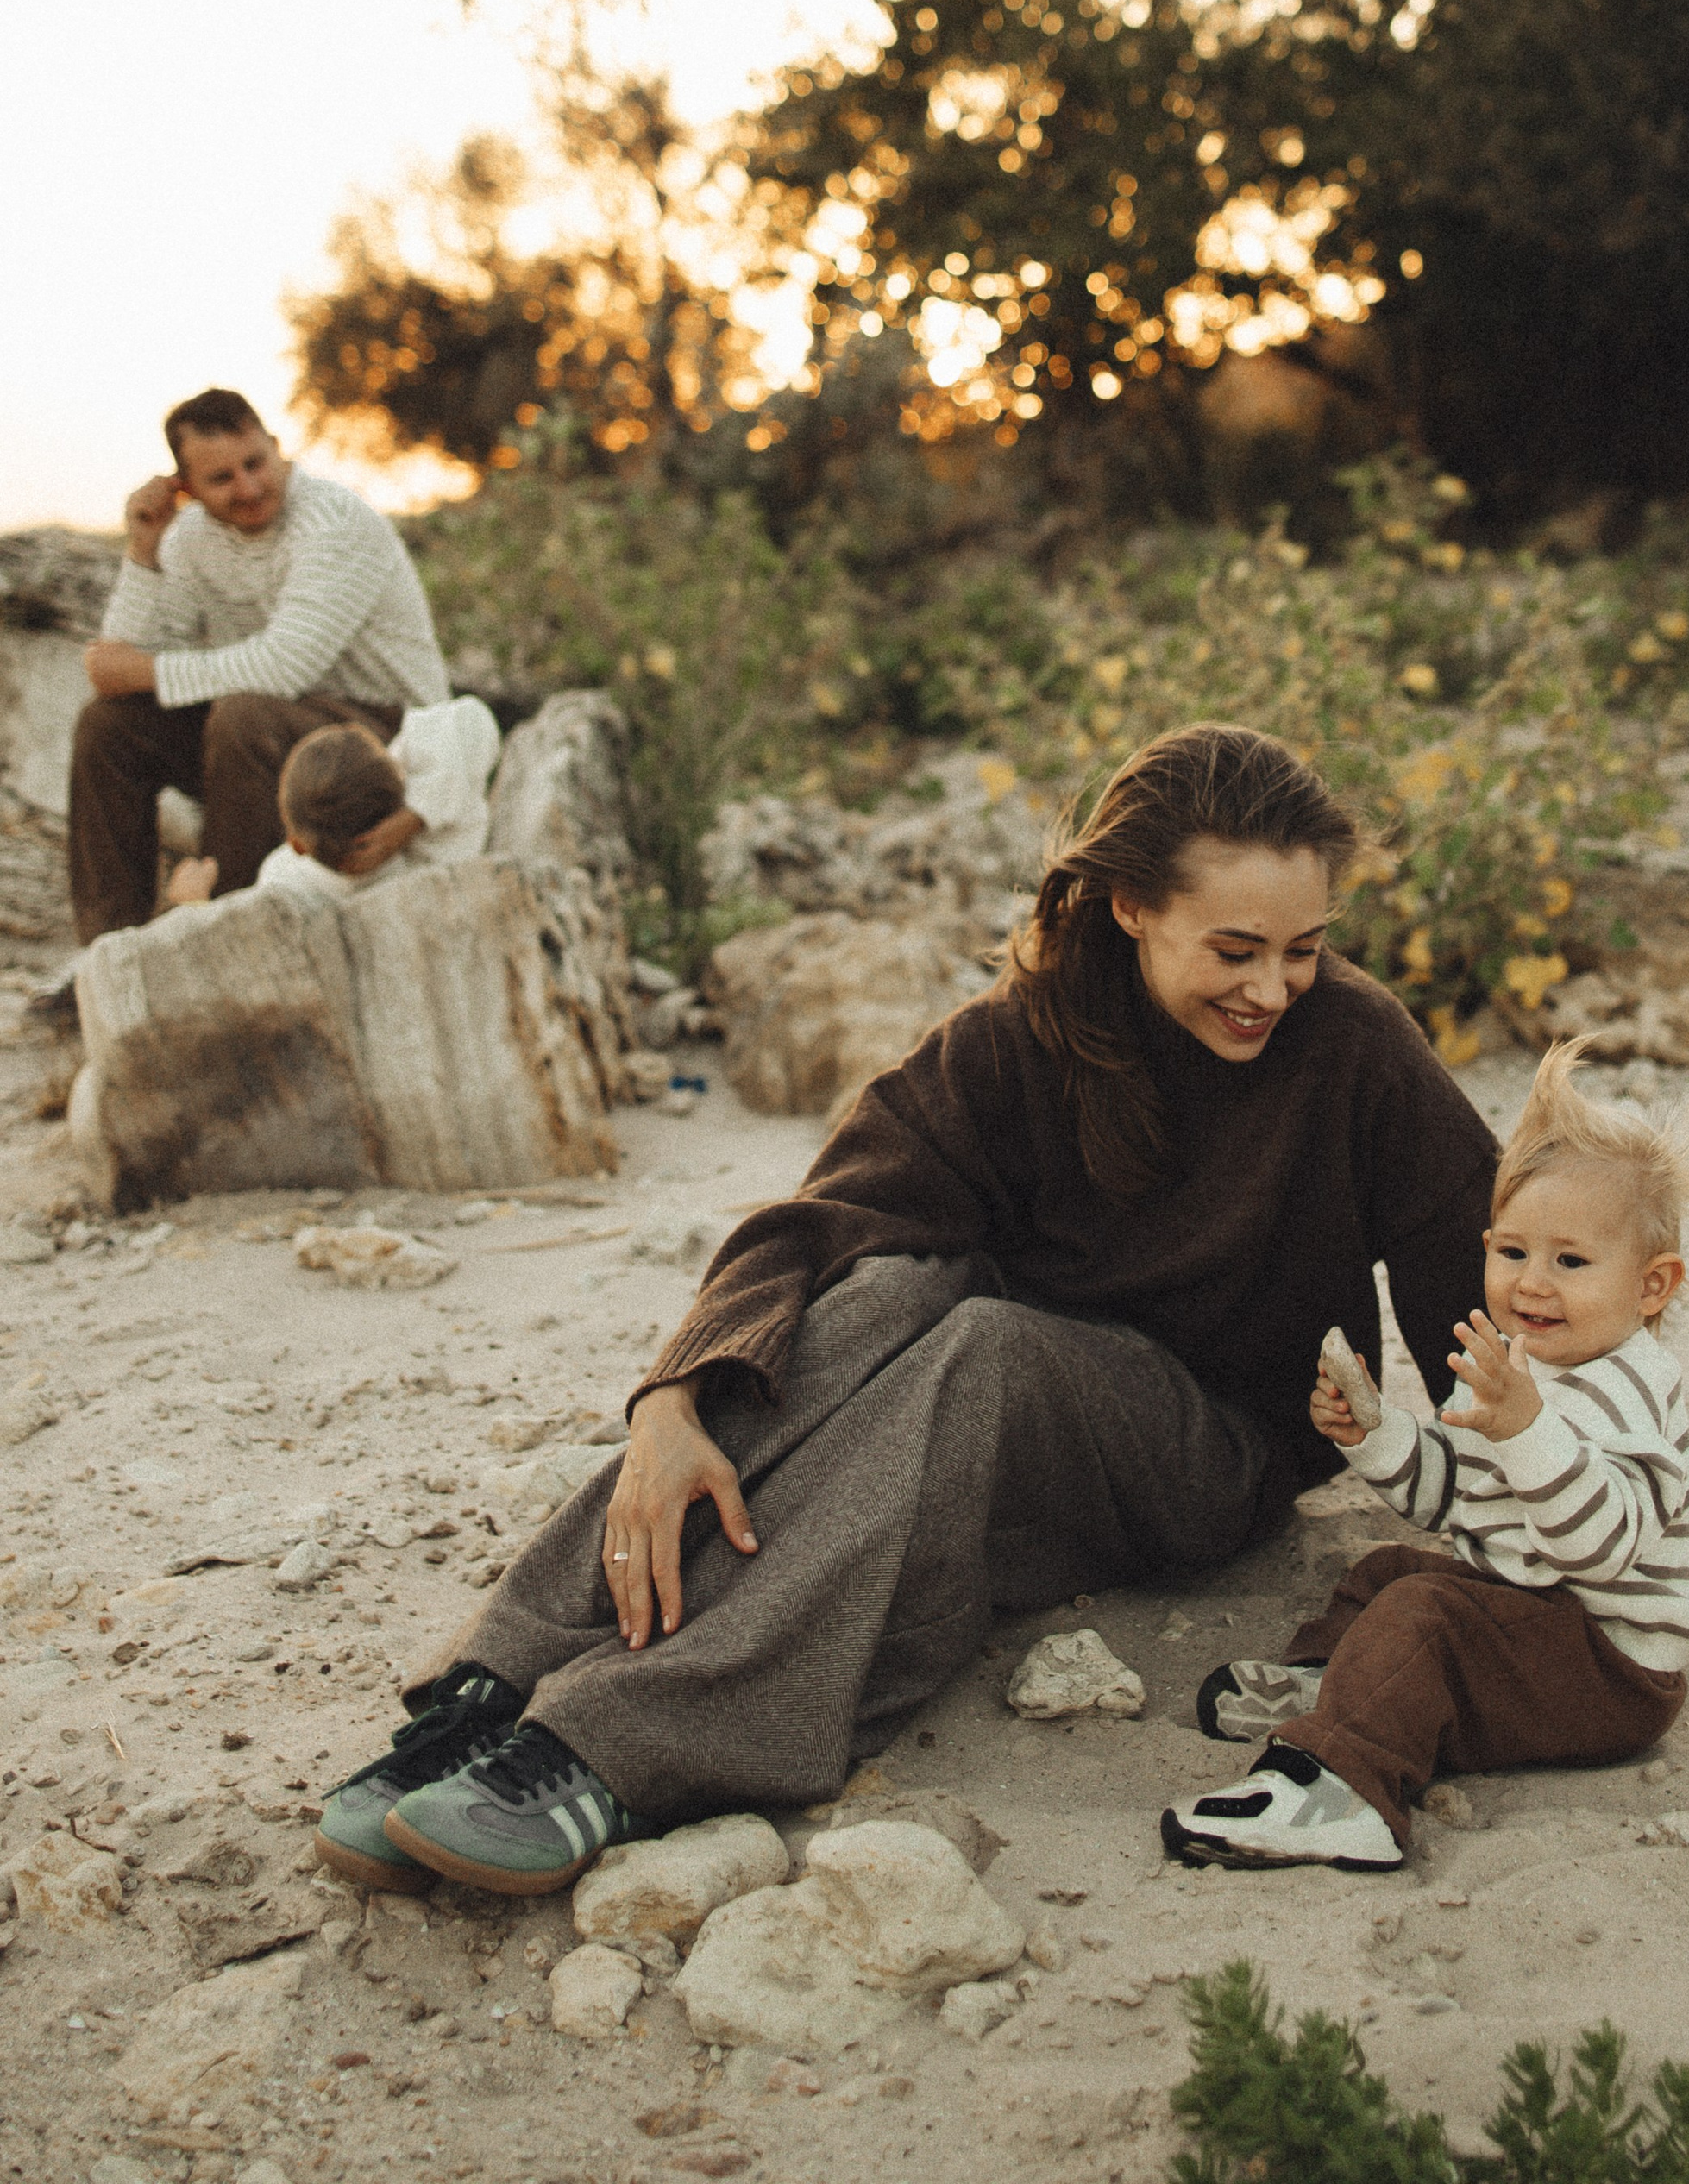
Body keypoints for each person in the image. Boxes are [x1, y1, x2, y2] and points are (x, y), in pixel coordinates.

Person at [311, 723, 1507, 1898]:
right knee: (887, 1285)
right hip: (1000, 1440)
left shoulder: (1350, 1045)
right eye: (1237, 950)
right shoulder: (1024, 1036)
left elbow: (1490, 1282)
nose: (1273, 988)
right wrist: (673, 1406)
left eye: (1303, 949)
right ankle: (502, 1682)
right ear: (1133, 907)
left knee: (986, 1341)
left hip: (1213, 1451)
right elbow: (820, 1221)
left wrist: (1612, 1496)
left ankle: (624, 1745)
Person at [1161, 1036, 1689, 1872]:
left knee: (1427, 1618)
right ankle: (1336, 1686)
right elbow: (1451, 1497)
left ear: (1651, 1285)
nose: (1530, 1282)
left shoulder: (1628, 1386)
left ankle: (1343, 1789)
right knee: (1390, 1574)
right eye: (1512, 1252)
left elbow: (1601, 1544)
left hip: (1609, 1669)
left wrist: (1524, 1430)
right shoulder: (1520, 1367)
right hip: (1541, 1619)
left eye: (1570, 1261)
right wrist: (1375, 1435)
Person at [67, 389, 452, 951]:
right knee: (110, 725)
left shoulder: (332, 520)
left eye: (255, 463)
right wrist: (144, 549)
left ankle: (224, 938)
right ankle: (108, 953)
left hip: (391, 741)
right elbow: (118, 664)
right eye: (221, 478)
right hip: (275, 737)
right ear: (186, 488)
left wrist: (143, 671)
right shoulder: (192, 540)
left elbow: (283, 667)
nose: (248, 488)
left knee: (244, 716)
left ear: (276, 448)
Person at [162, 697, 504, 911]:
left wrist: (191, 906)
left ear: (296, 843)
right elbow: (474, 718)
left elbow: (241, 945)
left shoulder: (291, 883)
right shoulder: (442, 838)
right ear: (397, 770)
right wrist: (416, 815)